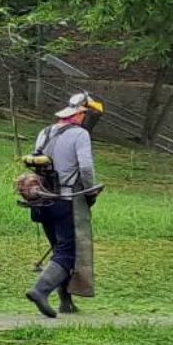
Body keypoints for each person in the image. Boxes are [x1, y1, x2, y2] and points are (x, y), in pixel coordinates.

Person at [25, 93, 104, 318]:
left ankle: (66, 302)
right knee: (68, 252)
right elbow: (86, 169)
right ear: (80, 114)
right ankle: (40, 291)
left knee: (59, 250)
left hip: (41, 201)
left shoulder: (45, 132)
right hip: (66, 201)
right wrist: (90, 191)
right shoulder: (80, 135)